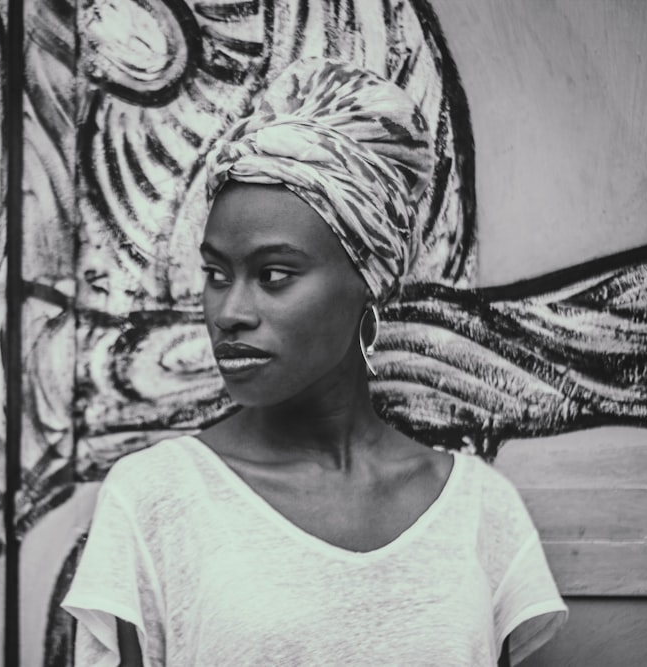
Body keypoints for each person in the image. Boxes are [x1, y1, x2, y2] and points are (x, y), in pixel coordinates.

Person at [62, 57, 567, 666]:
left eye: (274, 276)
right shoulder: (155, 500)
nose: (230, 311)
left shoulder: (482, 512)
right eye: (217, 275)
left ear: (367, 285)